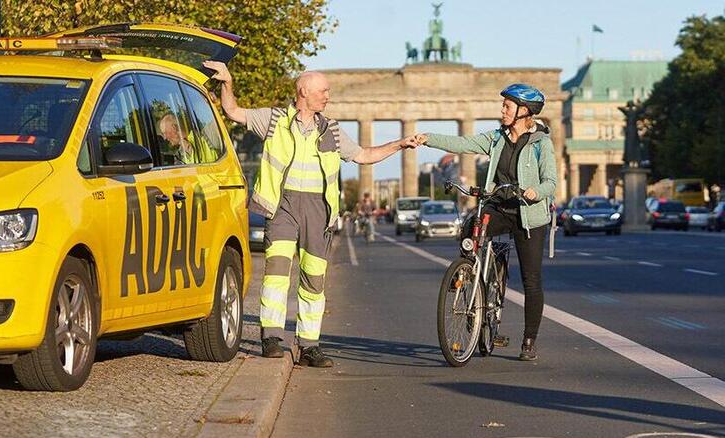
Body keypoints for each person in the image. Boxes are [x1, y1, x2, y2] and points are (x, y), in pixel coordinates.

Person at [203, 60, 419, 367]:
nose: (328, 96)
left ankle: (309, 346)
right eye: (323, 91)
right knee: (276, 274)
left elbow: (363, 155)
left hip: (318, 210)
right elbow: (234, 112)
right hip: (283, 206)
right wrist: (227, 83)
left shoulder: (331, 129)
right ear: (304, 92)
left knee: (313, 279)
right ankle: (271, 338)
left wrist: (399, 144)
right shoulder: (275, 119)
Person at [414, 83, 557, 361]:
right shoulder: (496, 138)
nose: (502, 110)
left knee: (531, 279)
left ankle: (529, 339)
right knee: (471, 225)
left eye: (507, 106)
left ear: (523, 111)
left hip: (529, 214)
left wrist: (535, 192)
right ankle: (467, 272)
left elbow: (550, 181)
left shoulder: (542, 143)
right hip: (500, 206)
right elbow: (463, 143)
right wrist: (427, 138)